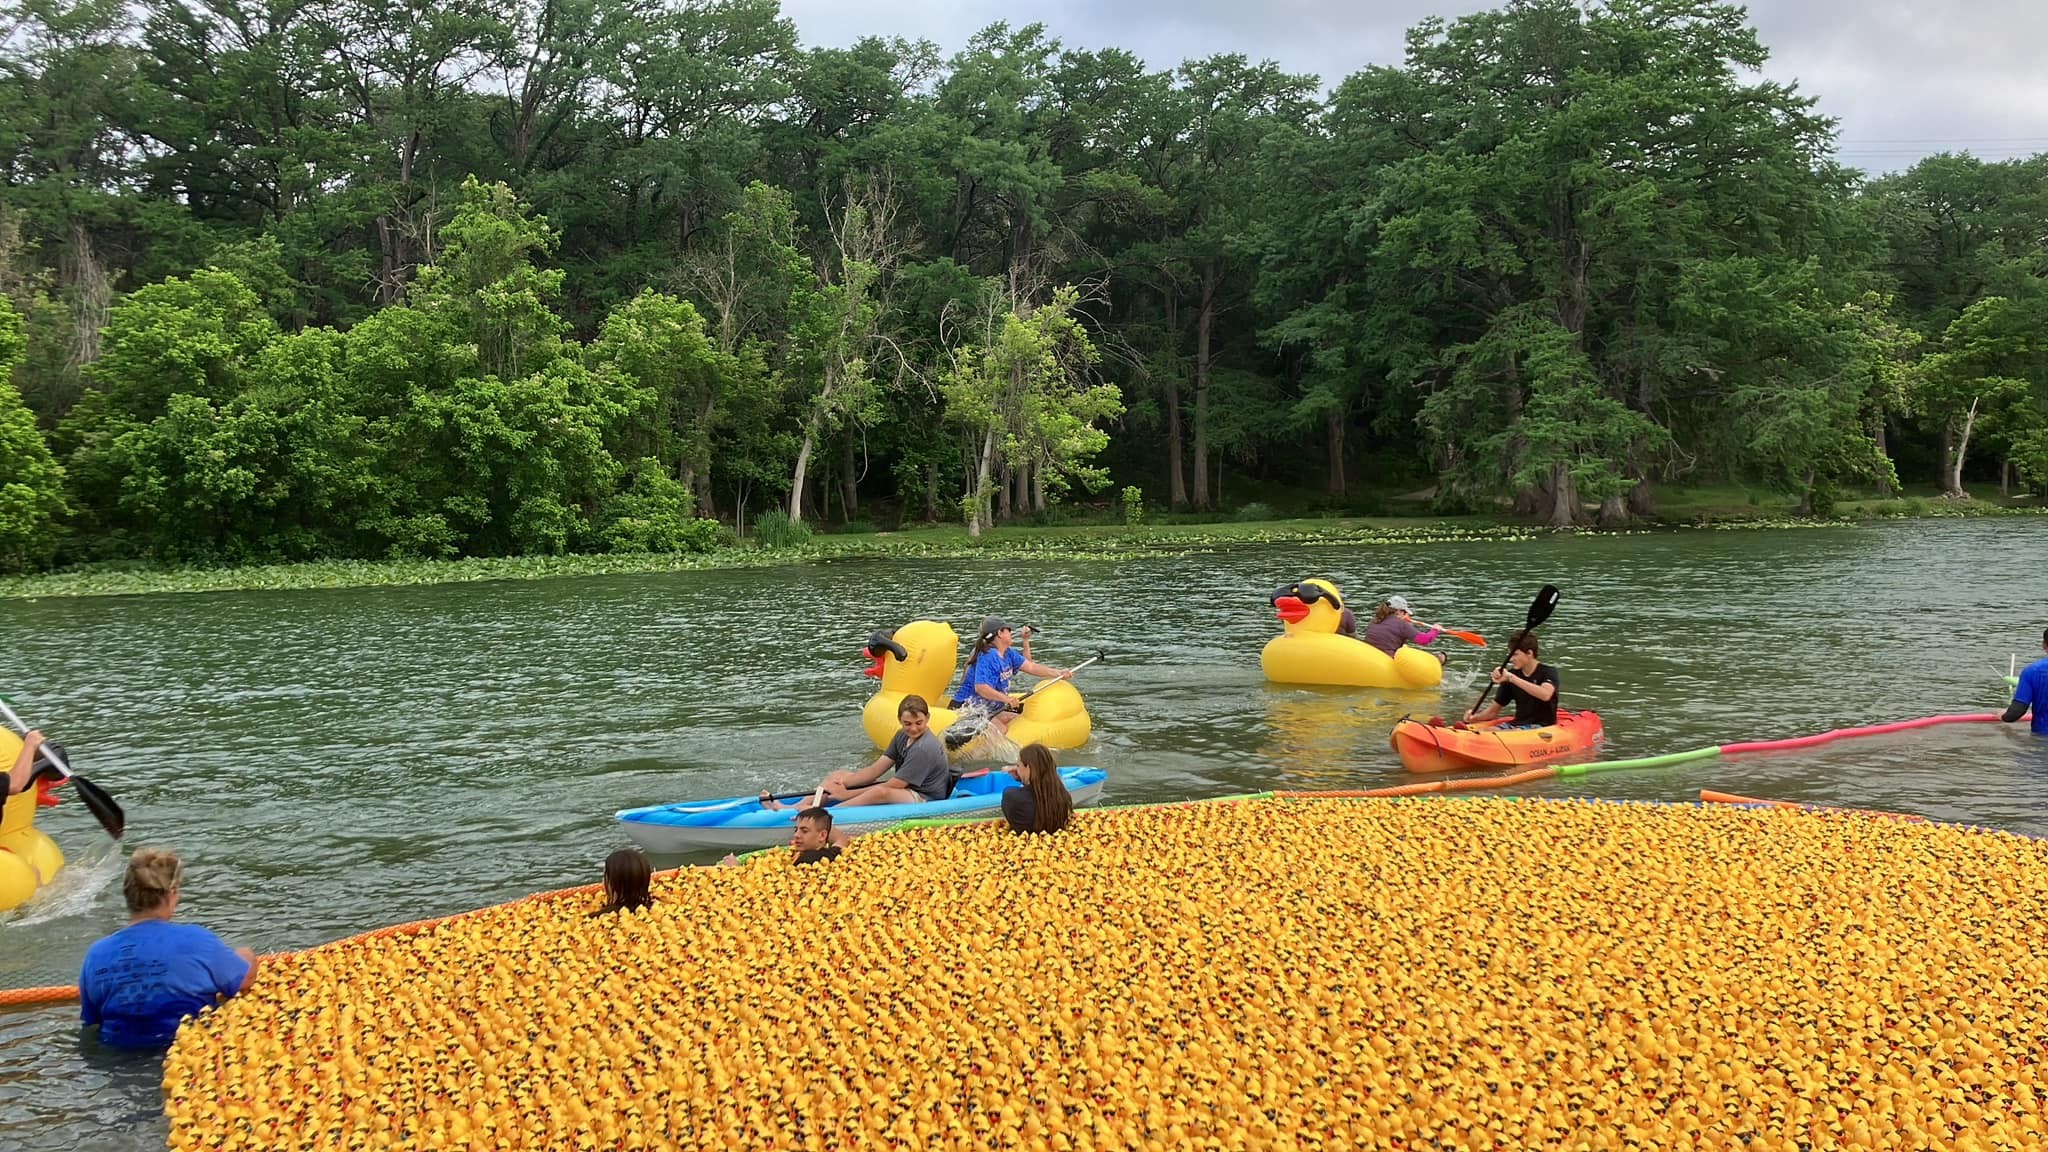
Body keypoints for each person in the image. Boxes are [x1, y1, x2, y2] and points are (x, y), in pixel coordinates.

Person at [78, 848, 259, 1049]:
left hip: (118, 1057)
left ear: (128, 896)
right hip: (185, 1054)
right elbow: (245, 979)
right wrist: (246, 954)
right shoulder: (196, 940)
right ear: (172, 894)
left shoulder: (96, 954)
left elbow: (92, 1020)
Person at [764, 695, 953, 810]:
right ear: (900, 720)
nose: (913, 728)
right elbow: (876, 769)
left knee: (881, 792)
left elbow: (895, 785)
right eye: (908, 724)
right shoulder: (901, 736)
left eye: (919, 723)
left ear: (927, 718)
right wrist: (843, 783)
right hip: (907, 789)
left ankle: (826, 815)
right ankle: (795, 808)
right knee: (838, 775)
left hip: (926, 797)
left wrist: (843, 794)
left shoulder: (924, 748)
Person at [949, 618, 1073, 736]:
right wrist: (1006, 699)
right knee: (1001, 730)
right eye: (1009, 630)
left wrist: (1059, 673)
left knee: (1019, 719)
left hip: (988, 707)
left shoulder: (1008, 653)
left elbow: (1030, 667)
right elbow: (981, 688)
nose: (1012, 633)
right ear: (1000, 633)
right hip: (966, 707)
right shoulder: (988, 655)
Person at [1463, 630, 1559, 729]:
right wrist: (1473, 718)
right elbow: (1492, 712)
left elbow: (1545, 695)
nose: (1510, 659)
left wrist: (1511, 678)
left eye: (1515, 654)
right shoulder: (1510, 675)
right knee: (1488, 730)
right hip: (1517, 724)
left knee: (1504, 732)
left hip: (1542, 726)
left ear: (1529, 653)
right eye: (1510, 655)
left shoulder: (1548, 672)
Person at [1001, 743, 1074, 835]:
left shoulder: (1012, 797)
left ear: (1028, 767)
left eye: (1018, 765)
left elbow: (1029, 795)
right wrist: (1024, 776)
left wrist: (1024, 779)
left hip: (1023, 844)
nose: (1017, 769)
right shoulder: (1063, 797)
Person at [1360, 595, 1445, 662]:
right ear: (1399, 611)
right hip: (1386, 660)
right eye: (1404, 612)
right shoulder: (1401, 624)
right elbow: (1424, 640)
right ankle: (1434, 661)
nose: (1405, 615)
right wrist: (1435, 630)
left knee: (1404, 648)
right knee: (1409, 654)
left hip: (1369, 656)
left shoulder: (1375, 620)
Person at [2004, 628, 2048, 736]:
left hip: (2043, 737)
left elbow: (2016, 712)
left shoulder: (2032, 671)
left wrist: (2002, 716)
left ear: (2044, 645)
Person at [593, 848, 653, 915]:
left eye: (605, 876)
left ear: (613, 882)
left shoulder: (601, 918)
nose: (603, 881)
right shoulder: (654, 909)